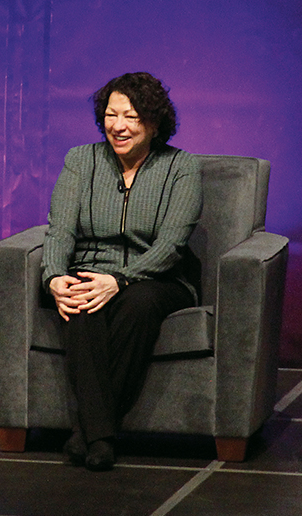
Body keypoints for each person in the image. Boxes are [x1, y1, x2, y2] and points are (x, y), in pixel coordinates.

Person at [41, 72, 202, 471]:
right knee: (81, 301)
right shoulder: (81, 160)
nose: (118, 126)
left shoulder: (180, 167)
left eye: (130, 116)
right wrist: (54, 276)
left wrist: (122, 279)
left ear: (153, 122)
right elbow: (60, 228)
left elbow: (172, 245)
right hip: (92, 269)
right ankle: (101, 439)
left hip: (159, 279)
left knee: (138, 304)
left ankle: (88, 432)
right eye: (112, 115)